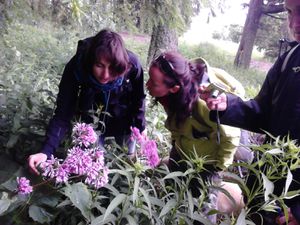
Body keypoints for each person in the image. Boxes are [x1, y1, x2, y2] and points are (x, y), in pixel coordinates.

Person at [199, 0, 300, 224]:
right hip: (264, 191)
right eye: (290, 12)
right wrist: (228, 105)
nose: (294, 23)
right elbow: (263, 112)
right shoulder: (289, 60)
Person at [28, 29, 146, 175]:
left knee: (127, 165)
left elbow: (138, 99)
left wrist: (140, 127)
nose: (105, 75)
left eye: (112, 68)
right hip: (90, 122)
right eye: (99, 66)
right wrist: (46, 151)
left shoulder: (132, 66)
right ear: (91, 62)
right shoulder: (77, 67)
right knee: (89, 169)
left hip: (123, 120)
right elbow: (63, 113)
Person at [146, 51, 241, 223]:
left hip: (207, 164)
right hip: (182, 152)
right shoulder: (173, 95)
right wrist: (176, 143)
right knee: (171, 195)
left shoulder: (205, 103)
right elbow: (176, 124)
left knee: (203, 212)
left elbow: (231, 134)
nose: (147, 84)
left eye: (153, 82)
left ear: (173, 88)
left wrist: (219, 167)